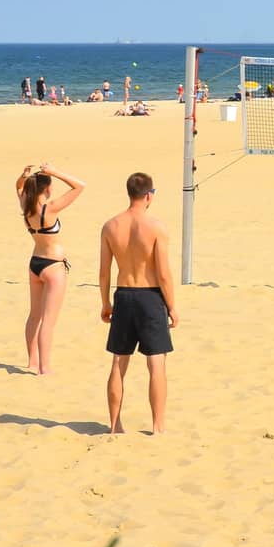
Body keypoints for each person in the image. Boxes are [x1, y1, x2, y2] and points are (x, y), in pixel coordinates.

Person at [99, 172, 176, 434]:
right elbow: (164, 273)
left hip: (123, 294)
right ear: (148, 195)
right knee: (156, 363)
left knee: (119, 363)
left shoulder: (110, 226)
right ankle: (158, 425)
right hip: (150, 296)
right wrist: (172, 306)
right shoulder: (156, 227)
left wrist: (105, 302)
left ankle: (114, 424)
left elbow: (103, 272)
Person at [16, 163, 86, 374]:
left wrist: (23, 176)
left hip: (35, 263)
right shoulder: (50, 208)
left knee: (34, 316)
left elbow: (18, 187)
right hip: (53, 266)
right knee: (48, 321)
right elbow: (79, 186)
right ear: (46, 188)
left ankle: (32, 362)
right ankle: (45, 368)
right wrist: (54, 172)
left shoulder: (26, 206)